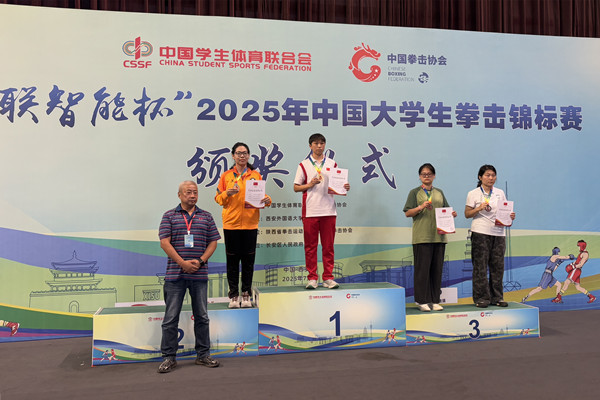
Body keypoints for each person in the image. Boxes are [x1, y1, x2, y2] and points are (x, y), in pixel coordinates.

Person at [157, 180, 221, 373]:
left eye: (195, 192)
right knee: (170, 318)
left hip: (199, 275)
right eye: (188, 192)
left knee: (202, 317)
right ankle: (169, 357)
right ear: (179, 195)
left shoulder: (206, 216)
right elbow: (164, 243)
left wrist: (200, 261)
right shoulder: (169, 216)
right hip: (175, 275)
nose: (192, 195)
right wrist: (182, 263)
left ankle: (203, 355)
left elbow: (213, 242)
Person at [215, 142, 271, 309]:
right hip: (231, 225)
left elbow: (261, 196)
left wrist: (267, 200)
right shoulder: (226, 176)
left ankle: (246, 294)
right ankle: (233, 295)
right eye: (239, 153)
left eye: (245, 153)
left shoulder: (255, 175)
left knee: (248, 262)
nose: (242, 156)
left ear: (248, 155)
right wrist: (227, 193)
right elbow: (218, 198)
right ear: (233, 156)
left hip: (250, 224)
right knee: (232, 262)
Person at [293, 133, 350, 290]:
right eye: (316, 143)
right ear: (310, 146)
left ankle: (328, 278)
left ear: (325, 145)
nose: (319, 146)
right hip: (310, 211)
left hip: (329, 211)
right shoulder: (303, 165)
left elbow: (337, 185)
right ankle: (312, 278)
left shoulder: (332, 163)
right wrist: (310, 184)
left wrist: (344, 187)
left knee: (328, 247)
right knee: (310, 247)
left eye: (322, 143)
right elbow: (296, 187)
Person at [403, 163, 457, 312]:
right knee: (422, 271)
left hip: (439, 237)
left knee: (437, 270)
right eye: (423, 174)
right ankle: (421, 300)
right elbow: (407, 213)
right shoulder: (414, 192)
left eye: (429, 174)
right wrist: (420, 207)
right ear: (420, 176)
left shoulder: (439, 192)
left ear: (434, 176)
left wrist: (451, 214)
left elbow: (446, 209)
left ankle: (434, 300)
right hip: (422, 237)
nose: (426, 176)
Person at [464, 165, 515, 308]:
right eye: (487, 175)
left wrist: (510, 216)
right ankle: (481, 298)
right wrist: (479, 208)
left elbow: (504, 211)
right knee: (480, 266)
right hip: (480, 232)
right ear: (480, 177)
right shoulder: (473, 193)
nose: (491, 178)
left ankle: (497, 297)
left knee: (497, 267)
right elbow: (467, 214)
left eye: (493, 175)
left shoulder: (500, 192)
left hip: (498, 233)